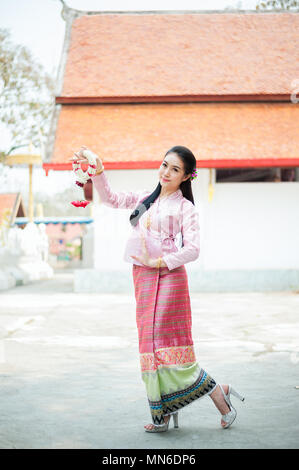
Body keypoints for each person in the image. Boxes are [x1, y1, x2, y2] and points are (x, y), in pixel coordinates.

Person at [70, 145, 245, 433]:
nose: (166, 172)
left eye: (175, 169)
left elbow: (193, 249)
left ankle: (217, 392)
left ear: (186, 176)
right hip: (143, 277)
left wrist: (161, 260)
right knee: (149, 345)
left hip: (170, 278)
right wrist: (99, 170)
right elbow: (111, 199)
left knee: (171, 349)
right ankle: (161, 412)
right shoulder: (145, 199)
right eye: (164, 165)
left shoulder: (185, 208)